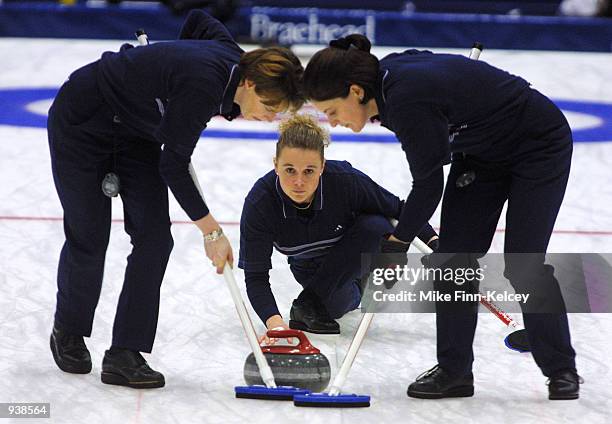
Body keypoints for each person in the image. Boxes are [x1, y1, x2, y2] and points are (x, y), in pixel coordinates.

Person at [303, 35, 580, 400]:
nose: (332, 123)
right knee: (454, 261)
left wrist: (397, 243)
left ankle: (561, 369)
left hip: (538, 143)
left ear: (356, 91)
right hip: (481, 154)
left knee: (523, 262)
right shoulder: (385, 83)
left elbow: (428, 187)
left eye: (332, 111)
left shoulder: (405, 100)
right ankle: (454, 372)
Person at [47, 10, 304, 388]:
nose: (268, 119)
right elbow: (174, 164)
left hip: (138, 132)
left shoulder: (229, 54)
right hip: (83, 119)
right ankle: (68, 329)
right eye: (268, 109)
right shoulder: (203, 86)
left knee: (154, 239)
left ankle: (125, 353)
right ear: (249, 82)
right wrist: (211, 231)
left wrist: (162, 71)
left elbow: (200, 19)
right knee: (90, 234)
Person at [238, 114, 438, 340]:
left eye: (309, 171)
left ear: (322, 167)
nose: (299, 182)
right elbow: (255, 276)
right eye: (290, 170)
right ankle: (346, 291)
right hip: (310, 270)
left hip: (356, 250)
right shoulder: (260, 203)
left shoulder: (345, 181)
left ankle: (311, 301)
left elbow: (400, 209)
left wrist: (434, 242)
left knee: (377, 224)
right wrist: (275, 324)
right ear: (276, 165)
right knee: (334, 307)